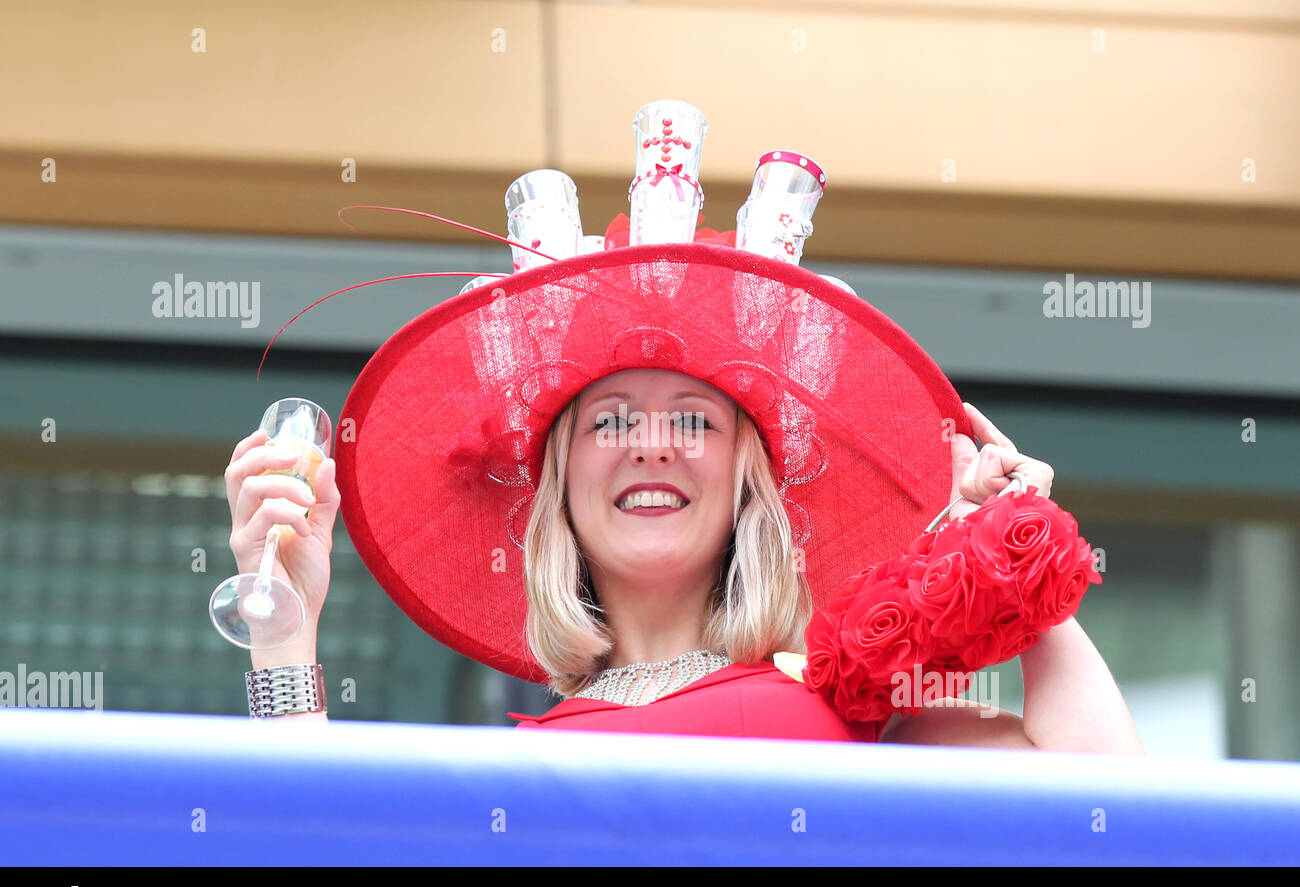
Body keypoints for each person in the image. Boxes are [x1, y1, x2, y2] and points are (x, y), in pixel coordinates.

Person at [226, 107, 1141, 752]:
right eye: (610, 418)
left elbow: (1103, 809)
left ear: (752, 477)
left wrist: (1010, 555)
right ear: (558, 485)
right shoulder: (503, 775)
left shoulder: (860, 712)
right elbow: (307, 844)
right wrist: (284, 630)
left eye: (695, 420)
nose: (650, 444)